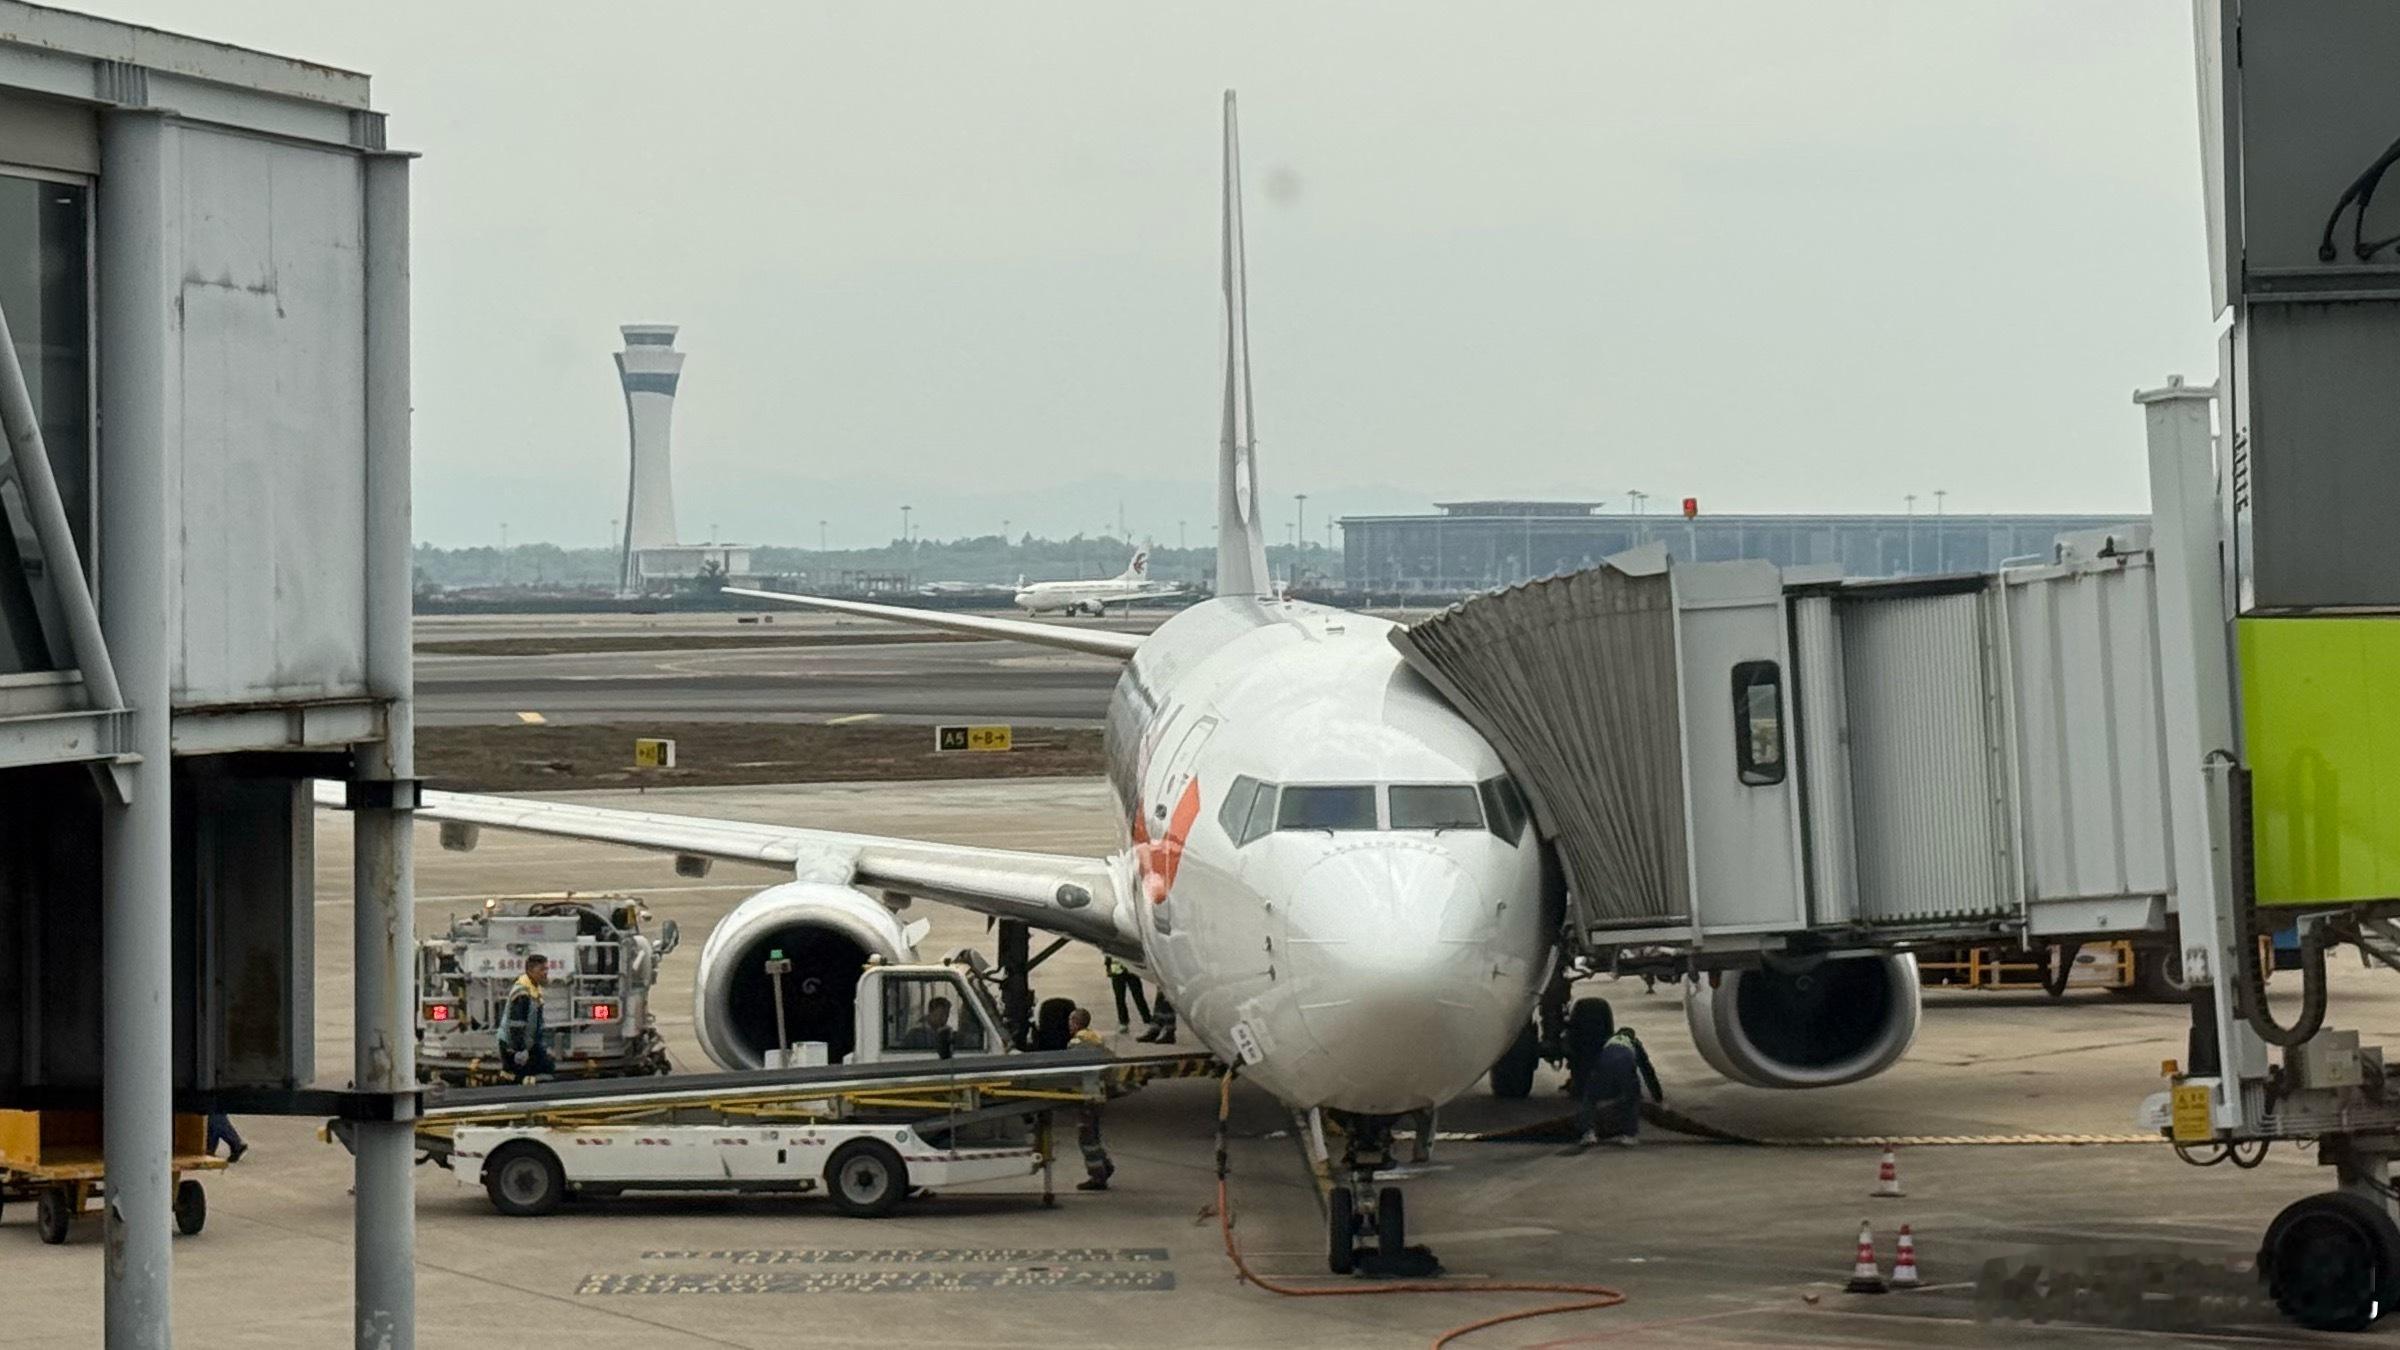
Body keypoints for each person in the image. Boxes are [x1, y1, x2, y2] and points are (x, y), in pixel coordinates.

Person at [1571, 999, 1662, 1146]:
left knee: (1590, 1099)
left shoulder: (1608, 1040)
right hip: (1624, 1069)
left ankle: (1588, 1133)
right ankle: (1629, 1135)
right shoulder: (1634, 1043)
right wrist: (1658, 1097)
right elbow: (1647, 1071)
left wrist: (1581, 1084)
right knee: (1631, 1100)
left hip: (1603, 1067)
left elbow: (1591, 1060)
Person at [1067, 1008, 1115, 1190]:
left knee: (1086, 1137)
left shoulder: (1077, 1042)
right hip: (1099, 1093)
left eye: (1070, 1022)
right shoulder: (1096, 1038)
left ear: (1076, 1023)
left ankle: (1097, 1175)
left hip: (1088, 1096)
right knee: (1094, 1133)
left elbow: (1074, 1070)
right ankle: (1105, 1166)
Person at [495, 952, 555, 1082]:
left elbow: (535, 1023)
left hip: (527, 1044)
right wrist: (519, 1051)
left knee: (546, 1069)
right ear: (530, 971)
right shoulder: (522, 993)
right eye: (541, 969)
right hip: (513, 1046)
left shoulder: (534, 989)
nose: (545, 973)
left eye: (546, 969)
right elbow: (517, 1025)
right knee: (522, 1077)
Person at [1105, 956, 1151, 1036]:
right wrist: (1108, 967)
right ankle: (1123, 1022)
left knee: (1138, 996)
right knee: (1120, 999)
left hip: (1131, 971)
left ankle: (1147, 1019)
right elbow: (1108, 953)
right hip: (1117, 971)